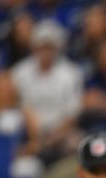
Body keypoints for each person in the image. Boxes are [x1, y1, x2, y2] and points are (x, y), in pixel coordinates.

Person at [10, 19, 82, 160]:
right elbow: (18, 104)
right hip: (28, 132)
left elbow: (73, 113)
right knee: (8, 120)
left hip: (61, 132)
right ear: (34, 47)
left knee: (77, 143)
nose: (45, 51)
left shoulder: (72, 72)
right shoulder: (20, 71)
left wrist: (51, 139)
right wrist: (35, 138)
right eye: (41, 47)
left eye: (49, 47)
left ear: (57, 47)